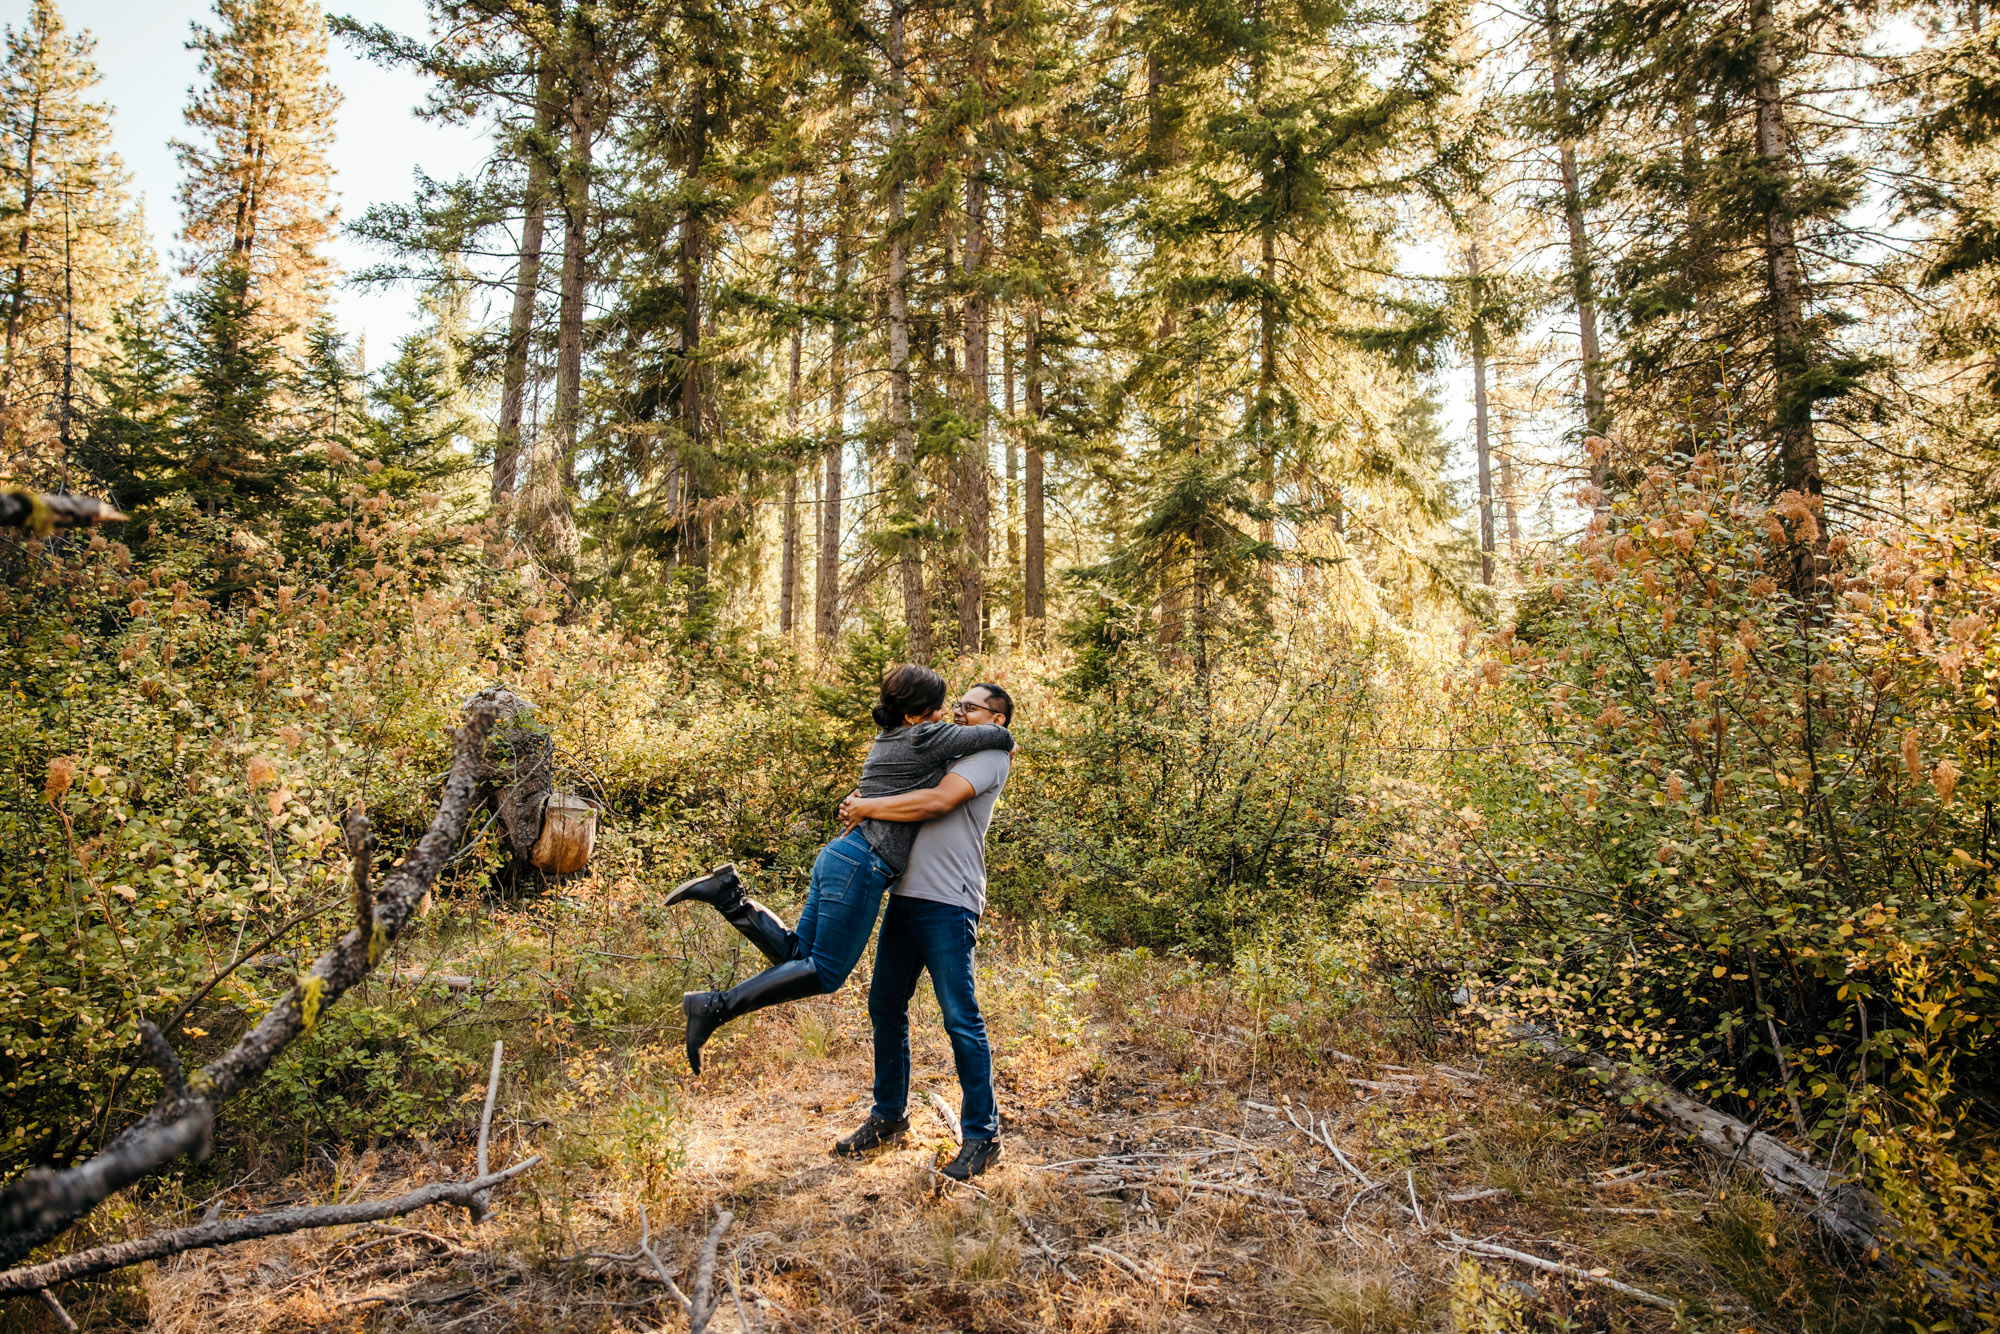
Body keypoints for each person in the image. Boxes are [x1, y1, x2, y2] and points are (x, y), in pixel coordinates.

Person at [667, 665, 1012, 1074]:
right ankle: (715, 1007)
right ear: (914, 715)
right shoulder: (923, 736)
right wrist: (1002, 738)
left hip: (841, 855)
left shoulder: (894, 736)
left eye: (960, 708)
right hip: (863, 861)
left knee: (799, 955)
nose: (947, 715)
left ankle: (730, 896)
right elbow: (998, 736)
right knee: (826, 973)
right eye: (942, 708)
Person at [828, 682, 1013, 1182]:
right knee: (885, 1005)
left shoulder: (990, 755)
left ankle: (983, 1136)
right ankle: (889, 1117)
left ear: (996, 720)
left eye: (970, 708)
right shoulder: (944, 746)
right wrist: (862, 802)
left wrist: (867, 808)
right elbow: (899, 786)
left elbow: (935, 803)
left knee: (960, 1016)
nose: (958, 712)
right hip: (906, 894)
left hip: (948, 899)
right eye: (959, 704)